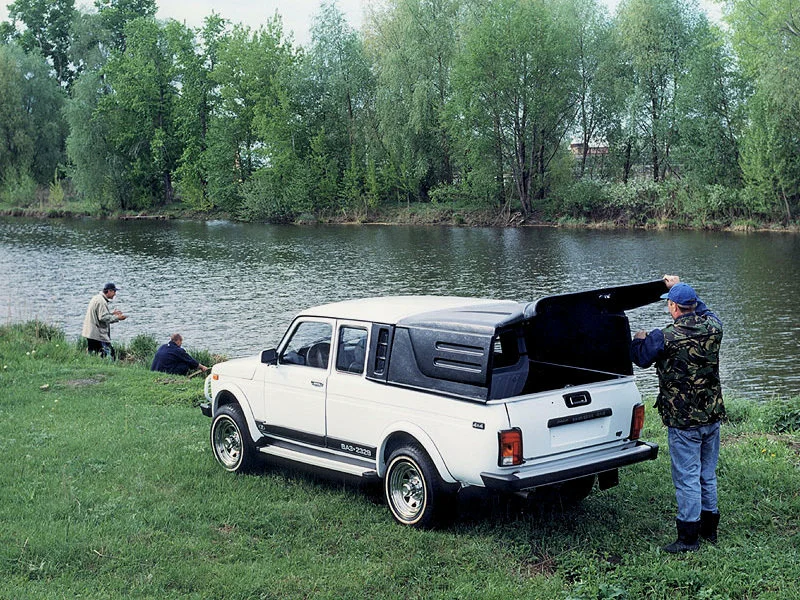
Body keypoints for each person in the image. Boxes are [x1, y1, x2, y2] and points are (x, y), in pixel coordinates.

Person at [631, 275, 725, 553]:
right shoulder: (714, 328)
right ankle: (710, 531)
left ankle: (688, 538)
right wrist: (680, 288)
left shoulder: (664, 337)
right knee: (707, 474)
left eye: (669, 304)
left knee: (686, 477)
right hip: (711, 416)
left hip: (683, 421)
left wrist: (637, 340)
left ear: (673, 307)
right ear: (693, 306)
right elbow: (705, 310)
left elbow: (641, 359)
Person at [82, 282, 127, 358]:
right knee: (111, 355)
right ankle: (110, 368)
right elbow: (103, 317)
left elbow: (99, 314)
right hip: (97, 334)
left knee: (93, 354)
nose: (115, 294)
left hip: (90, 332)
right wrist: (118, 318)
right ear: (109, 291)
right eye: (114, 291)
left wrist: (112, 314)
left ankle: (93, 366)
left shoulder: (97, 298)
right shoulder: (102, 301)